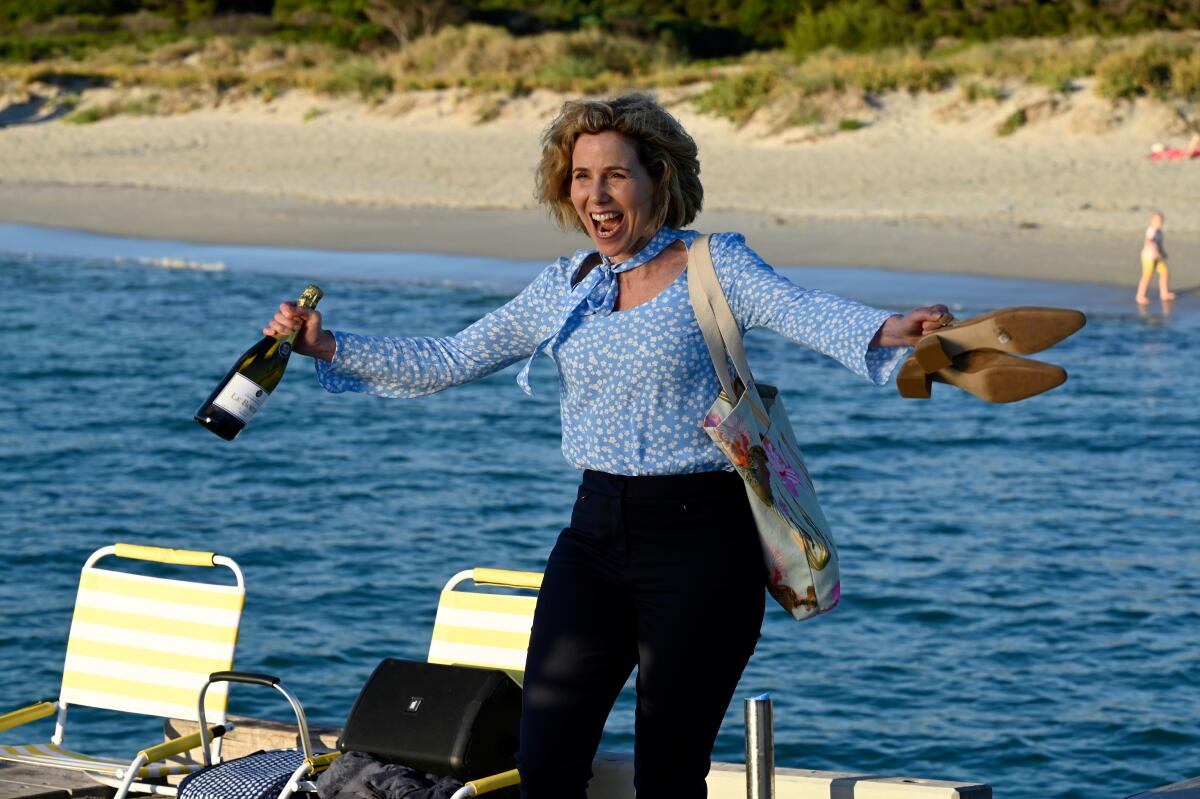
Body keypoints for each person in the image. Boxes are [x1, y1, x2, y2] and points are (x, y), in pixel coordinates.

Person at [264, 94, 949, 799]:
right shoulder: (568, 284)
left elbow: (801, 309)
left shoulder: (714, 264)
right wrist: (330, 345)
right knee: (547, 761)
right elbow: (449, 357)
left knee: (668, 773)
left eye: (615, 175)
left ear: (657, 178)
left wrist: (895, 329)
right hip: (592, 536)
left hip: (702, 542)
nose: (596, 193)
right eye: (580, 176)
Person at [1136, 211, 1177, 304]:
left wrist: (1163, 252)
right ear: (1151, 222)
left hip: (1157, 257)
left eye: (1161, 221)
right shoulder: (1151, 230)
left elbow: (1159, 244)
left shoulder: (1160, 232)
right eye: (1157, 221)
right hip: (1148, 257)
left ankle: (1164, 293)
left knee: (1165, 273)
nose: (1159, 223)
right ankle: (1140, 296)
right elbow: (1148, 241)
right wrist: (1153, 250)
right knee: (1147, 276)